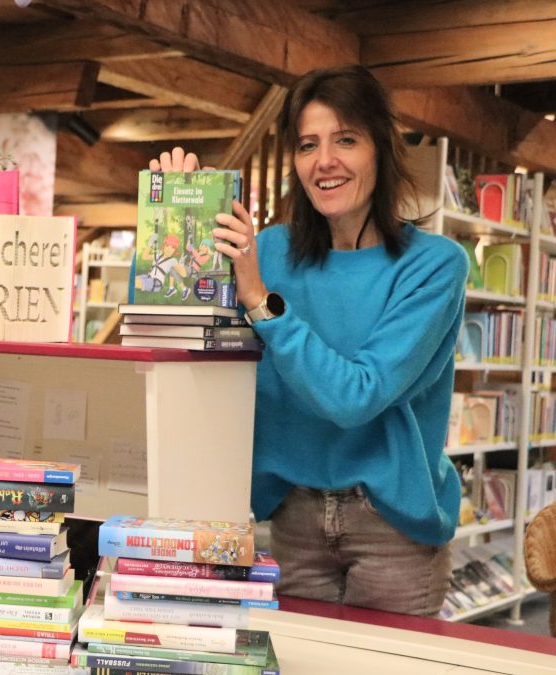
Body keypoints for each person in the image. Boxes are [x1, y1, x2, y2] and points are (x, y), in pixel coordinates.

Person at [151, 65, 468, 616]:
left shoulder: (434, 266)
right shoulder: (267, 253)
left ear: (381, 150)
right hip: (288, 520)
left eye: (346, 139)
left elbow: (357, 396)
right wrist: (181, 208)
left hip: (392, 530)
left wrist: (260, 301)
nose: (325, 161)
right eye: (307, 144)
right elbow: (185, 345)